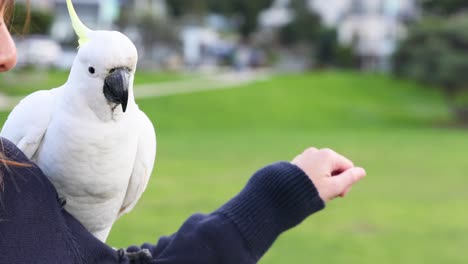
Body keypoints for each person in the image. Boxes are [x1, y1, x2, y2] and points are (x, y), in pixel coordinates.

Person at [0, 1, 366, 263]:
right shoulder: (37, 114)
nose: (9, 52)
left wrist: (278, 195)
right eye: (98, 72)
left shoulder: (138, 135)